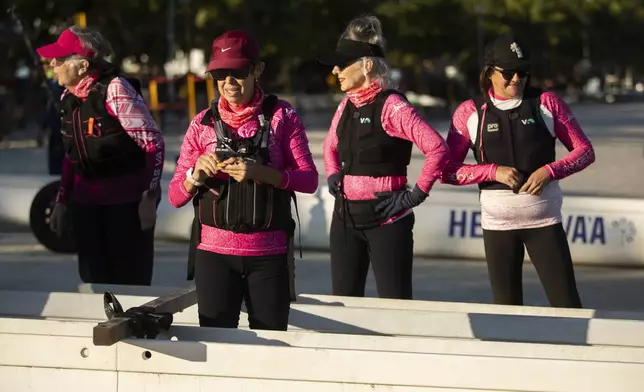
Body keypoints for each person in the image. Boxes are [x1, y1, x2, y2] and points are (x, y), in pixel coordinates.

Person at [168, 30, 318, 331]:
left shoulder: (282, 117)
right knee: (216, 347)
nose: (228, 83)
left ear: (257, 70)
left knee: (272, 350)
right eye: (220, 74)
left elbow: (309, 180)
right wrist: (194, 175)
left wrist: (263, 174)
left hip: (268, 256)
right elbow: (175, 197)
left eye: (237, 72)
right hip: (213, 257)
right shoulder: (201, 124)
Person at [441, 33, 595, 308]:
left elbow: (585, 151)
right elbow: (446, 171)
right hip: (498, 227)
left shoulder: (547, 103)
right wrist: (491, 172)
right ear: (489, 73)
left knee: (568, 305)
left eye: (523, 72)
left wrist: (550, 170)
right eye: (509, 72)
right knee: (507, 310)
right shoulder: (469, 112)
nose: (517, 79)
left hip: (544, 223)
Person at [319, 15, 449, 300]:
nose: (336, 70)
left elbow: (437, 148)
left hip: (387, 221)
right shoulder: (345, 106)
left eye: (343, 63)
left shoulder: (393, 106)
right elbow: (329, 147)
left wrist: (415, 195)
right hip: (345, 219)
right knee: (343, 304)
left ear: (366, 65)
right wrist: (332, 174)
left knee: (395, 306)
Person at [40, 26, 165, 285]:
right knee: (93, 283)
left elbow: (154, 144)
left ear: (83, 65)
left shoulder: (115, 90)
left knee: (129, 287)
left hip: (125, 207)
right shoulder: (68, 96)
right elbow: (71, 154)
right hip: (87, 206)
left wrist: (149, 198)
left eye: (61, 59)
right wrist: (62, 200)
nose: (53, 63)